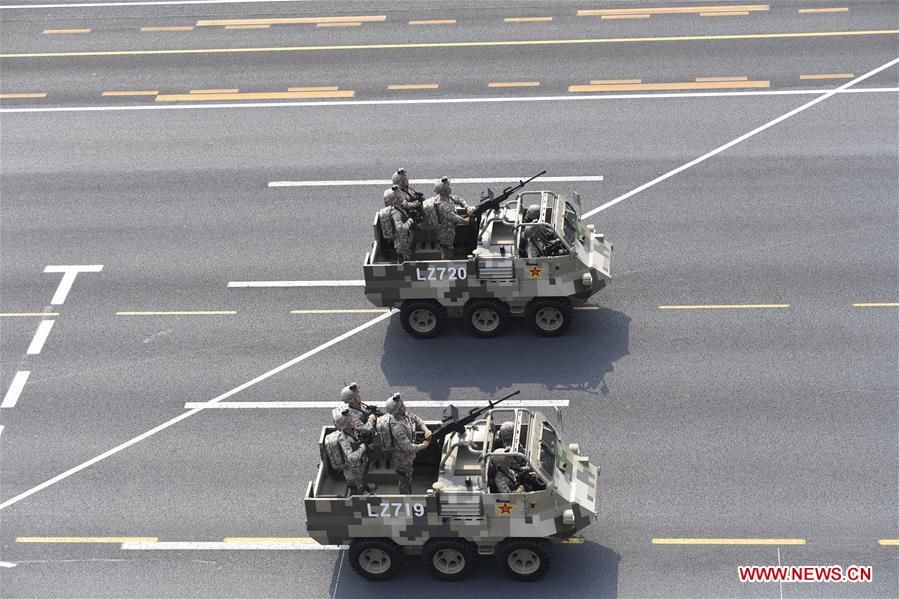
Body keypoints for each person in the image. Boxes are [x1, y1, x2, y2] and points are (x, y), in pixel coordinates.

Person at [385, 393, 431, 494]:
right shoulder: (397, 428)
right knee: (405, 480)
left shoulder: (404, 415)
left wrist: (425, 429)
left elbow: (416, 419)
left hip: (408, 457)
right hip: (403, 459)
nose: (404, 406)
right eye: (401, 406)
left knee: (408, 477)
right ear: (396, 411)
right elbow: (408, 447)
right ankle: (405, 498)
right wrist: (423, 445)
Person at [423, 177, 472, 259]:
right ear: (444, 191)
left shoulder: (446, 197)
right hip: (445, 232)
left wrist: (467, 207)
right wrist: (465, 221)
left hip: (449, 227)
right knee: (447, 250)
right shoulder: (443, 204)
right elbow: (452, 217)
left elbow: (458, 199)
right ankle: (447, 263)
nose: (450, 187)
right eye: (448, 186)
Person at [335, 410, 375, 496]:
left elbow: (361, 435)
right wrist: (362, 448)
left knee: (363, 478)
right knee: (357, 492)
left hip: (360, 466)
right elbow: (352, 457)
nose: (354, 420)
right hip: (353, 472)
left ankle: (365, 489)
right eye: (351, 420)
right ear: (346, 425)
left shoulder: (353, 430)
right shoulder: (344, 440)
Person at [379, 186, 416, 263]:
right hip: (402, 245)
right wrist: (409, 221)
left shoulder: (399, 208)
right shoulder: (396, 213)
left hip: (405, 242)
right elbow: (400, 228)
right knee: (406, 263)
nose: (402, 197)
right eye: (400, 196)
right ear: (395, 200)